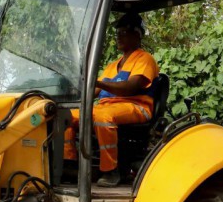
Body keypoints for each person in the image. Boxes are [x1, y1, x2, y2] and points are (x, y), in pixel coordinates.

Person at [64, 11, 160, 186]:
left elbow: (130, 87)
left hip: (136, 106)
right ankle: (70, 164)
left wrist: (99, 83)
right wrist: (76, 92)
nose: (118, 36)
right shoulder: (112, 66)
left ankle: (110, 171)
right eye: (117, 33)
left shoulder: (145, 60)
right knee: (66, 117)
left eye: (123, 32)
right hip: (106, 107)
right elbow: (92, 91)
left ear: (137, 34)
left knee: (103, 117)